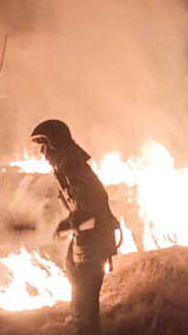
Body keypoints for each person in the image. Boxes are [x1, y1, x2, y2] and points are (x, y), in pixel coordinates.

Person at [30, 119, 119, 335]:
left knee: (85, 309)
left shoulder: (74, 169)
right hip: (86, 239)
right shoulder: (69, 168)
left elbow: (92, 209)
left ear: (55, 144)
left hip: (92, 242)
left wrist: (68, 225)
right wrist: (68, 224)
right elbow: (82, 209)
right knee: (80, 300)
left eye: (44, 145)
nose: (42, 152)